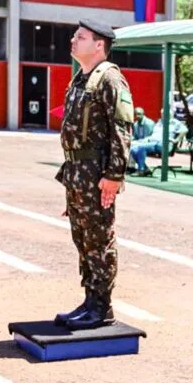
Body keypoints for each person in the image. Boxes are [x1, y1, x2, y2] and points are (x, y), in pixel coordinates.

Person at [54, 19, 133, 330]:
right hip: (77, 174)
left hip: (97, 174)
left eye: (81, 37)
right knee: (83, 239)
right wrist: (73, 184)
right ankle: (90, 300)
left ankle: (102, 307)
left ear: (99, 45)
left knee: (99, 240)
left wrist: (114, 176)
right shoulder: (80, 79)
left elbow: (122, 129)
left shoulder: (110, 79)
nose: (73, 40)